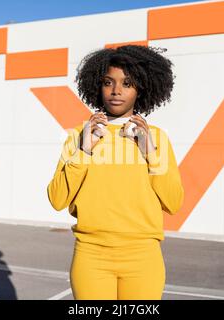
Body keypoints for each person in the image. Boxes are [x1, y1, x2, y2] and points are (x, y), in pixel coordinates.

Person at [47, 45, 184, 300]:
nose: (116, 91)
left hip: (143, 257)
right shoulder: (79, 135)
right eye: (108, 82)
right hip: (91, 255)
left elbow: (174, 202)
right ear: (97, 87)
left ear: (141, 88)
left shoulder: (156, 138)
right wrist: (83, 151)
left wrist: (150, 153)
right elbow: (57, 199)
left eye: (127, 83)